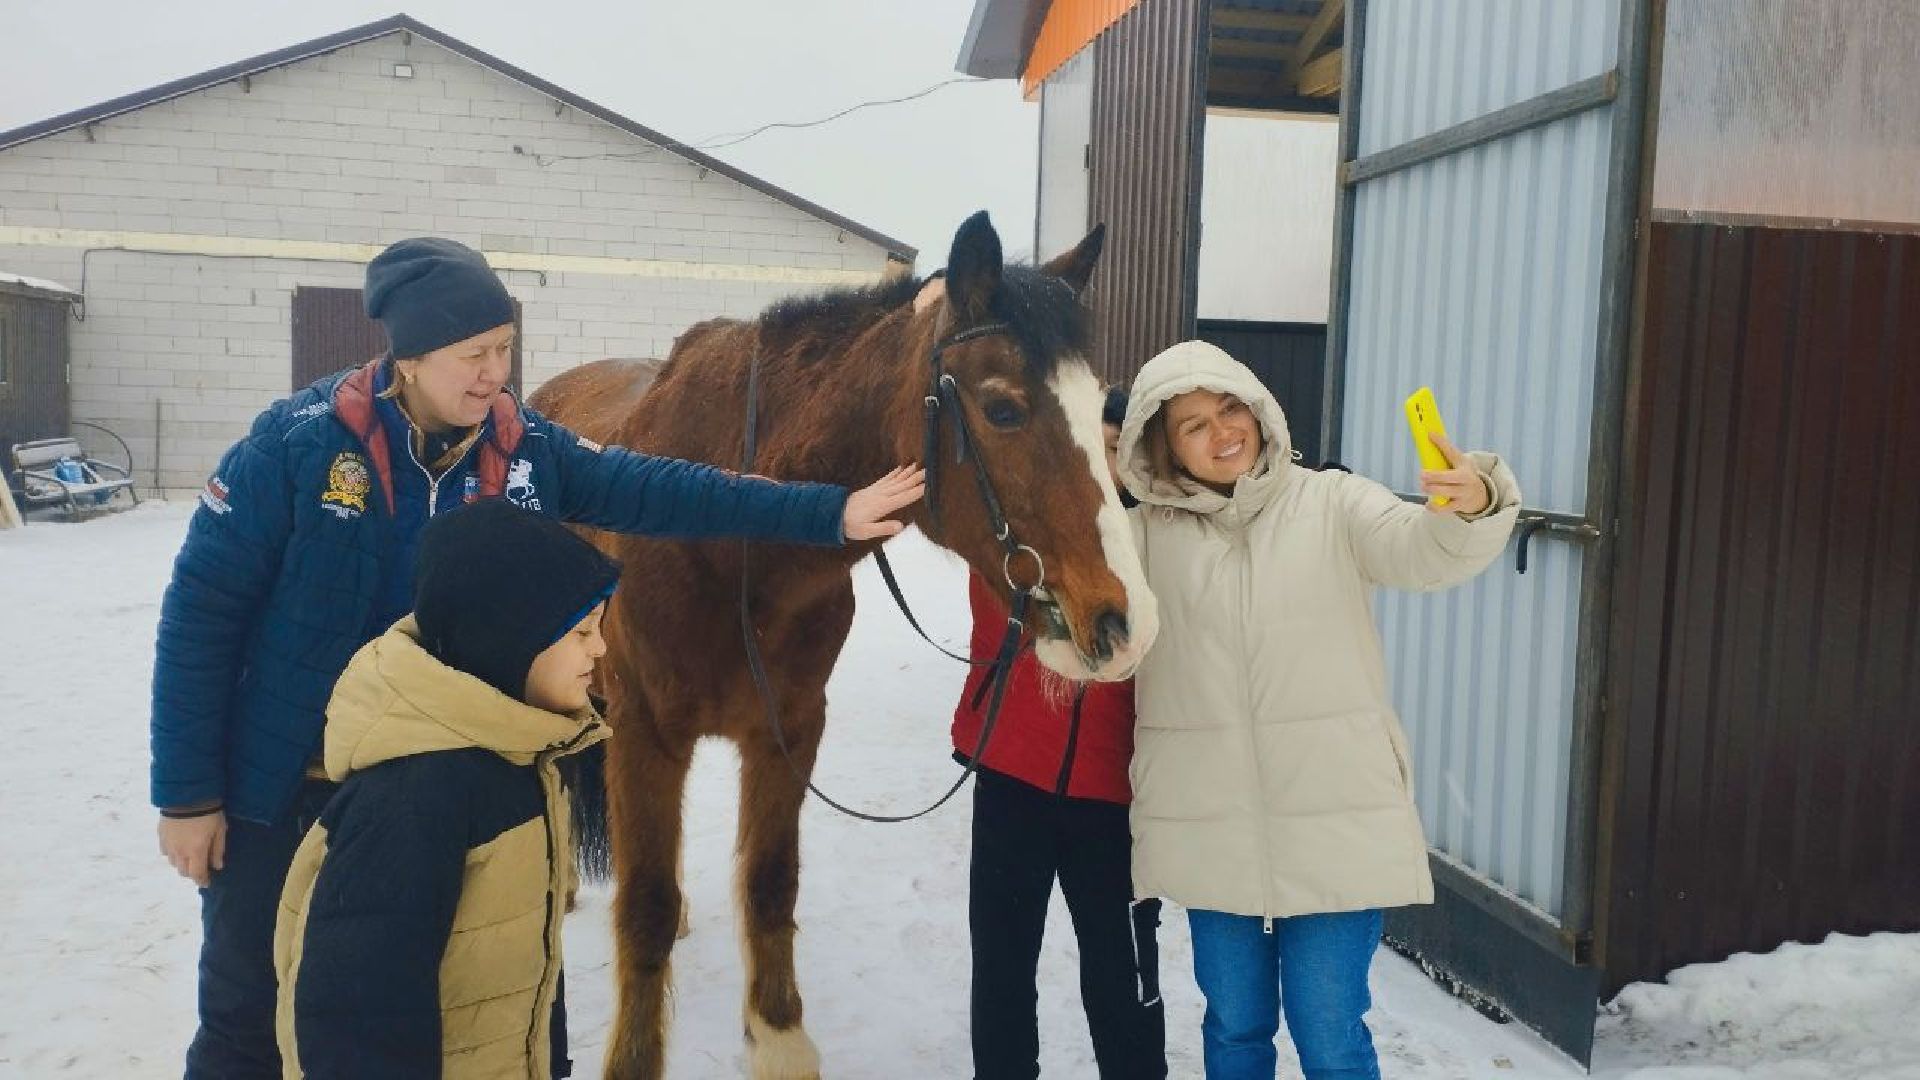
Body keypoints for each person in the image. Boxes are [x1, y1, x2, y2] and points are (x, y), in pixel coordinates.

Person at [152, 236, 924, 1077]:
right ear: (409, 356)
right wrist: (189, 795)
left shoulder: (524, 449)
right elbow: (202, 613)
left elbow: (664, 488)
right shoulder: (294, 447)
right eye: (472, 354)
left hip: (454, 782)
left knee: (478, 1019)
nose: (495, 373)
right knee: (252, 1022)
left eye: (505, 349)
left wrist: (827, 514)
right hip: (293, 789)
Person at [1114, 340, 1520, 1080]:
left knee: (1328, 1030)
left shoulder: (1332, 501)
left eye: (1230, 407)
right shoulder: (1142, 539)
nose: (1222, 431)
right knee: (1235, 1028)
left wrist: (1470, 507)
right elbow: (1096, 641)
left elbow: (1420, 551)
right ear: (1163, 448)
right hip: (1212, 830)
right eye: (1194, 425)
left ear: (1258, 407)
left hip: (1336, 821)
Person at [275, 499, 615, 1078]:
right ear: (509, 642)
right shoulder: (413, 799)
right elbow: (354, 1022)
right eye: (582, 631)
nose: (600, 649)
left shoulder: (523, 755)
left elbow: (524, 963)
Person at [952, 383, 1164, 1080]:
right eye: (1089, 449)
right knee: (1002, 966)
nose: (1102, 464)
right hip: (1013, 775)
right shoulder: (1015, 526)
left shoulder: (1162, 539)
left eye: (1116, 449)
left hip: (1115, 796)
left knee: (1121, 973)